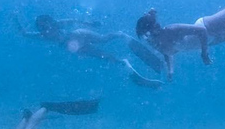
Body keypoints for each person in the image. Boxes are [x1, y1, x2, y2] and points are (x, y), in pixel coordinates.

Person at [17, 14, 165, 89]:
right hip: (75, 47)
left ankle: (121, 35)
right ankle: (124, 63)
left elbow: (73, 20)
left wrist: (90, 23)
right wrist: (16, 21)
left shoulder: (57, 24)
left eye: (47, 25)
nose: (46, 29)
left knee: (103, 39)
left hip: (78, 35)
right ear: (40, 28)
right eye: (43, 27)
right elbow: (25, 33)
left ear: (50, 21)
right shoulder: (43, 35)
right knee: (106, 57)